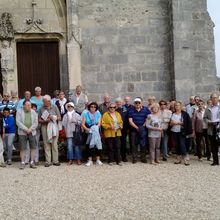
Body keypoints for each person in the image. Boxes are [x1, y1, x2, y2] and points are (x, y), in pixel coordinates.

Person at [39, 95, 61, 167]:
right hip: (45, 126)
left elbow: (59, 117)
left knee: (54, 144)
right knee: (46, 143)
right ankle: (48, 161)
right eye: (43, 101)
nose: (43, 103)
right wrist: (45, 120)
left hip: (54, 126)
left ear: (49, 101)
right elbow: (39, 119)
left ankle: (55, 161)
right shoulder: (41, 108)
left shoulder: (54, 106)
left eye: (44, 101)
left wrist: (53, 117)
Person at [16, 100, 38, 169]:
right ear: (23, 105)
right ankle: (23, 162)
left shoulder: (33, 112)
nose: (29, 106)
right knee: (22, 148)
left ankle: (32, 162)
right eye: (27, 105)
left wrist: (30, 129)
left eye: (30, 105)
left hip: (32, 132)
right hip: (22, 132)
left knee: (33, 147)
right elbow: (18, 122)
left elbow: (35, 122)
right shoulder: (19, 112)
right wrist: (26, 129)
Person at [128, 97, 151, 163]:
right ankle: (134, 158)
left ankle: (143, 158)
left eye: (139, 102)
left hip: (143, 129)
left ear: (141, 103)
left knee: (143, 144)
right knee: (133, 144)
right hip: (133, 129)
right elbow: (130, 121)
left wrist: (143, 126)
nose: (137, 104)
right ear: (134, 103)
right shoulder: (131, 110)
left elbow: (148, 118)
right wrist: (137, 128)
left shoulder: (146, 109)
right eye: (136, 103)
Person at [170, 101, 192, 165]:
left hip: (182, 132)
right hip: (174, 131)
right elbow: (170, 123)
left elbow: (187, 123)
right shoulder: (173, 114)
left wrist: (178, 123)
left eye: (178, 105)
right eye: (176, 105)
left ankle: (185, 159)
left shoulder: (185, 114)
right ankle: (178, 159)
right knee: (176, 145)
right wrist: (173, 123)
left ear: (181, 106)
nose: (177, 107)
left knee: (182, 145)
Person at [82, 102, 103, 166]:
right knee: (88, 145)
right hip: (89, 132)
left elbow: (99, 123)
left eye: (94, 107)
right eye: (91, 107)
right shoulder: (86, 114)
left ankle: (98, 160)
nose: (93, 108)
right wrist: (87, 129)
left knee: (97, 145)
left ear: (96, 108)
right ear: (89, 107)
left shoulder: (98, 114)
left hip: (96, 131)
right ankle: (90, 160)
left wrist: (96, 128)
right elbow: (82, 123)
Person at [203, 92, 220, 166]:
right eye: (213, 98)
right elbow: (204, 118)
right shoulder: (208, 108)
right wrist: (208, 122)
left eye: (216, 97)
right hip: (211, 127)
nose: (214, 99)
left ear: (218, 98)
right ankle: (215, 161)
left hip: (219, 127)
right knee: (213, 145)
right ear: (211, 99)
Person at [116, 97, 128, 162]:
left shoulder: (125, 110)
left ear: (122, 103)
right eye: (117, 102)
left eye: (120, 102)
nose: (119, 103)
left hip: (124, 129)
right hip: (117, 129)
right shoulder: (115, 110)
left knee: (123, 143)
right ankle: (118, 157)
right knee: (117, 143)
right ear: (116, 103)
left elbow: (127, 119)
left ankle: (124, 157)